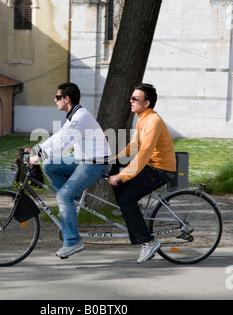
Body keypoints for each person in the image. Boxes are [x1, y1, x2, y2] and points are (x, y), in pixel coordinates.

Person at [30, 82, 111, 259]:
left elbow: (63, 145)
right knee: (48, 167)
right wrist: (36, 150)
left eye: (57, 97)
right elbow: (58, 137)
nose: (55, 100)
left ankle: (73, 241)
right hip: (82, 158)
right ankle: (70, 206)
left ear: (67, 99)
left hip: (94, 163)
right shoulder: (74, 116)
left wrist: (40, 155)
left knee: (63, 196)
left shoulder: (81, 117)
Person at [107, 83, 176, 263]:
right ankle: (130, 212)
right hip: (151, 166)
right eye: (131, 98)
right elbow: (134, 147)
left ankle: (149, 242)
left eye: (135, 99)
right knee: (113, 172)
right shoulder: (142, 118)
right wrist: (113, 160)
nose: (130, 101)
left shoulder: (153, 121)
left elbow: (144, 153)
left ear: (147, 103)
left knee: (126, 199)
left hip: (161, 170)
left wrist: (122, 176)